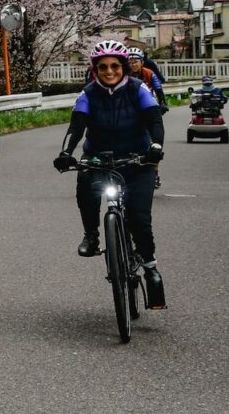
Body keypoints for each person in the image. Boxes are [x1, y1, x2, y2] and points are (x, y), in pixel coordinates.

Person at [53, 40, 166, 308]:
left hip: (137, 160)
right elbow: (76, 126)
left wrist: (155, 146)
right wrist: (66, 152)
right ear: (95, 69)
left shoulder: (139, 89)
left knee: (139, 217)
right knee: (85, 185)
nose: (109, 71)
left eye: (115, 66)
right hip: (100, 157)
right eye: (103, 67)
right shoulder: (88, 94)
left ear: (124, 67)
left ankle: (150, 268)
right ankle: (91, 235)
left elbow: (154, 120)